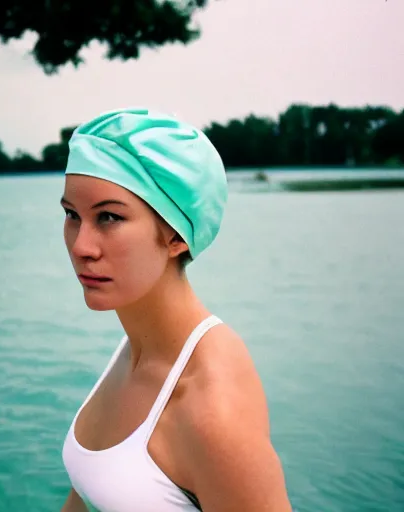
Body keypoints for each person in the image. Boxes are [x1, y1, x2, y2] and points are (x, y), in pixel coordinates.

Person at [59, 108, 292, 512]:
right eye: (72, 215)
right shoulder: (136, 348)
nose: (81, 246)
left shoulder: (212, 410)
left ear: (176, 237)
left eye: (109, 217)